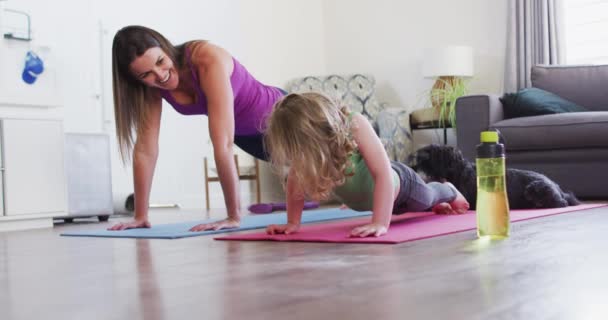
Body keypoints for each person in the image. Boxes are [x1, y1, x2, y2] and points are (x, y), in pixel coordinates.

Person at [108, 25, 284, 232]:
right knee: (316, 169)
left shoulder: (206, 59)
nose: (160, 75)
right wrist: (140, 215)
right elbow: (146, 149)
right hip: (246, 135)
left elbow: (223, 144)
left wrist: (233, 217)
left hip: (284, 117)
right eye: (147, 74)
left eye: (160, 61)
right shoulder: (151, 88)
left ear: (165, 48)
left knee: (330, 162)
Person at [264, 93, 470, 237]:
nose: (296, 159)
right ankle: (432, 204)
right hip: (377, 201)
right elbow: (294, 182)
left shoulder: (354, 124)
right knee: (420, 209)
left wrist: (380, 222)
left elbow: (383, 175)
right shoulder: (307, 156)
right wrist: (293, 223)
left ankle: (449, 190)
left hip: (400, 186)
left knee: (428, 197)